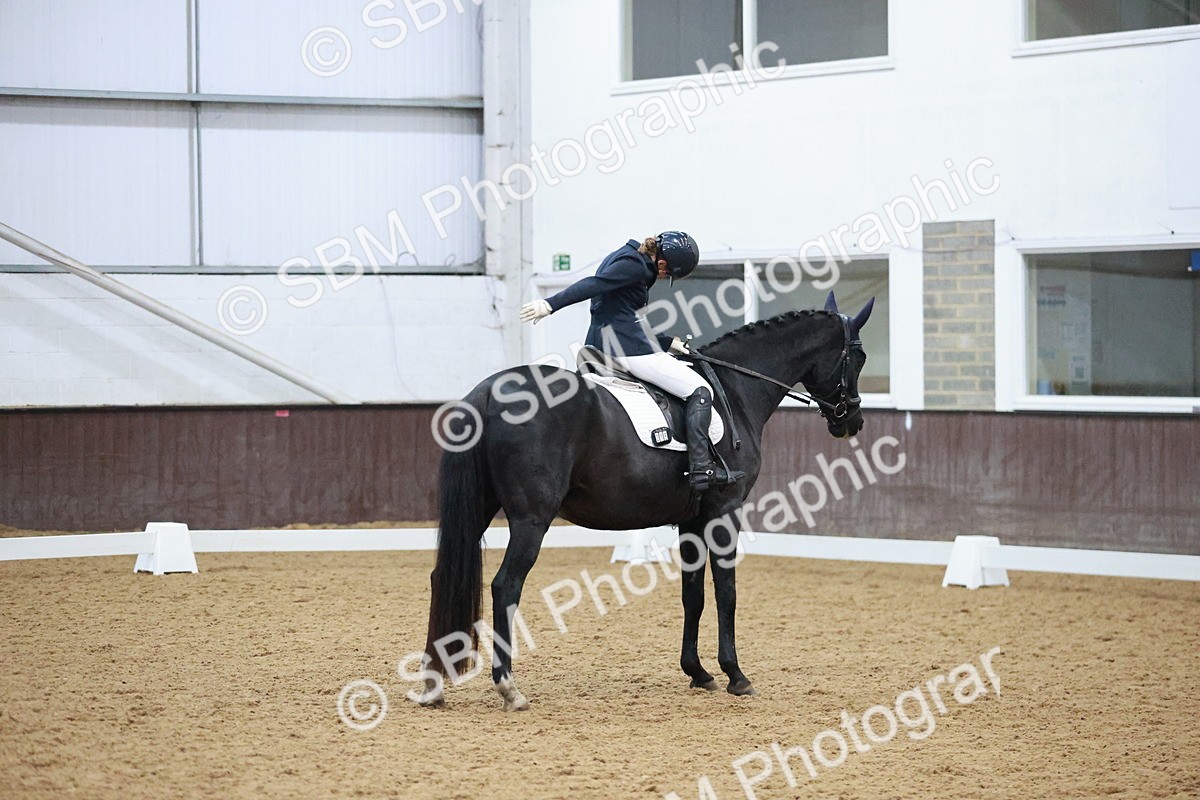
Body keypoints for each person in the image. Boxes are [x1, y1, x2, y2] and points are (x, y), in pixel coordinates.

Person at [519, 232, 744, 493]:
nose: (662, 278)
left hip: (604, 341)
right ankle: (701, 468)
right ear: (662, 264)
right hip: (627, 348)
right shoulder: (634, 267)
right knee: (700, 390)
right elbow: (593, 284)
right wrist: (549, 304)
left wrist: (667, 342)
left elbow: (622, 313)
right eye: (666, 273)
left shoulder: (624, 255)